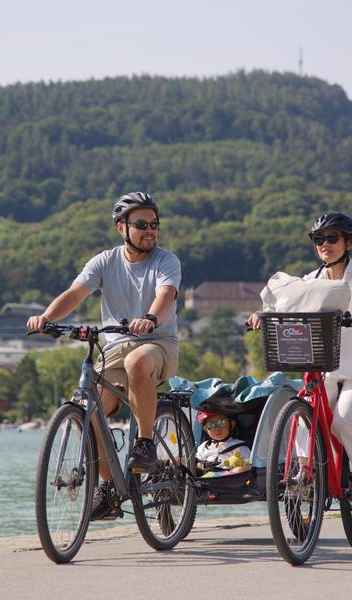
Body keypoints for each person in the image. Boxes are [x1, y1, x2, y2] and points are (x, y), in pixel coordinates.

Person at [26, 192, 181, 520]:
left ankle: (144, 443)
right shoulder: (104, 262)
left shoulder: (167, 261)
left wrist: (151, 318)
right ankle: (109, 489)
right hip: (114, 348)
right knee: (86, 406)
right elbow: (75, 294)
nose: (150, 231)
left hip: (158, 343)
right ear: (120, 228)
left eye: (154, 225)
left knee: (136, 362)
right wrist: (47, 318)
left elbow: (165, 294)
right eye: (141, 225)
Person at [248, 211, 352, 504]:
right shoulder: (312, 280)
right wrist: (263, 315)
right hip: (326, 369)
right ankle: (304, 473)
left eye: (332, 238)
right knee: (302, 418)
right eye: (319, 239)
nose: (325, 244)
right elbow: (288, 303)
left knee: (343, 422)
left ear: (349, 242)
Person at [195, 409, 251, 477]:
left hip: (228, 482)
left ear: (232, 424)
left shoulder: (240, 446)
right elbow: (198, 465)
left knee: (240, 469)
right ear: (205, 429)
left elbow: (248, 466)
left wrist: (236, 471)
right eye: (211, 424)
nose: (217, 428)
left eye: (222, 422)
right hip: (206, 482)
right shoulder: (203, 447)